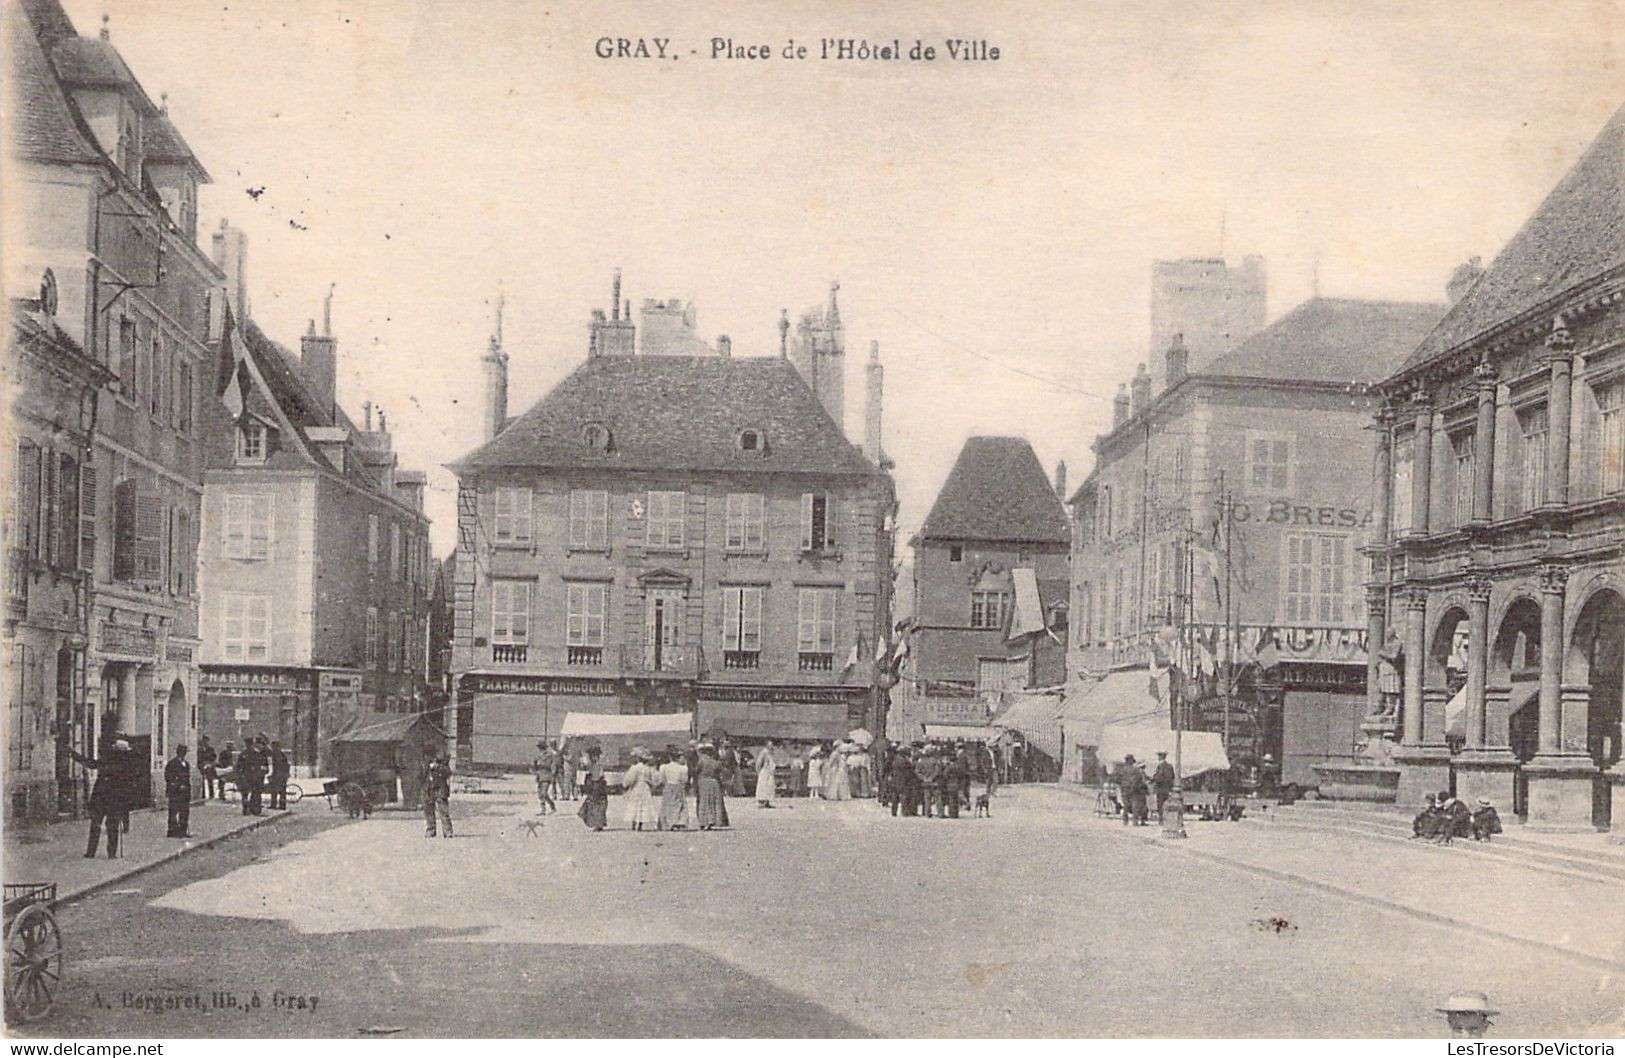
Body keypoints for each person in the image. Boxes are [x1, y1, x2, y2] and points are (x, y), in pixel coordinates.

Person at [64, 736, 139, 858]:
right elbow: (129, 784)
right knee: (112, 826)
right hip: (114, 800)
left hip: (101, 797)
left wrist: (74, 755)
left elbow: (91, 764)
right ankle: (111, 853)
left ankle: (91, 852)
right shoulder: (126, 765)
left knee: (96, 824)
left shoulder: (108, 761)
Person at [622, 748, 659, 831]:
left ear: (638, 758)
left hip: (637, 787)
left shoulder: (635, 768)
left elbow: (630, 779)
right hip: (645, 788)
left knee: (635, 804)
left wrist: (626, 785)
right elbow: (653, 779)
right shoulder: (648, 768)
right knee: (644, 805)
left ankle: (634, 823)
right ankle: (640, 823)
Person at [577, 746, 609, 831]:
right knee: (596, 805)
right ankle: (598, 824)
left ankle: (598, 824)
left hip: (597, 785)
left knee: (597, 805)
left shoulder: (595, 764)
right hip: (597, 785)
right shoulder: (593, 764)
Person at [165, 743, 193, 838]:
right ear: (178, 752)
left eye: (185, 752)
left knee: (184, 811)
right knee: (173, 811)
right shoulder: (172, 763)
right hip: (175, 792)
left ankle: (182, 831)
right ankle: (172, 831)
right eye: (182, 752)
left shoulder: (186, 764)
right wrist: (178, 786)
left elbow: (187, 778)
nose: (184, 754)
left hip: (185, 792)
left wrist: (188, 789)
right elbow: (168, 777)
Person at [695, 743, 725, 830]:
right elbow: (720, 771)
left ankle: (703, 821)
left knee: (704, 801)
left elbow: (697, 770)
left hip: (703, 781)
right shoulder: (716, 762)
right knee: (712, 801)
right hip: (713, 781)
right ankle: (711, 820)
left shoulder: (701, 761)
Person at [658, 749, 690, 830]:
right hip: (678, 786)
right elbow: (685, 780)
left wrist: (665, 784)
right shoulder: (682, 768)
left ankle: (669, 823)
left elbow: (662, 779)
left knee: (668, 804)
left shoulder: (664, 767)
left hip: (669, 786)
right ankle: (679, 822)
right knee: (679, 804)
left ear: (670, 757)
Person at [423, 755, 453, 838]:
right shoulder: (425, 761)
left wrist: (438, 767)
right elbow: (421, 774)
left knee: (443, 810)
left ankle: (447, 831)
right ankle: (431, 830)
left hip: (440, 787)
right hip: (429, 787)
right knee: (428, 809)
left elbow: (448, 772)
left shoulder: (443, 762)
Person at [236, 736, 267, 816]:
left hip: (249, 776)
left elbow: (239, 767)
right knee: (252, 793)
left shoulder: (244, 754)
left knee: (248, 794)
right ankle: (252, 809)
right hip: (252, 776)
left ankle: (249, 809)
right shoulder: (254, 754)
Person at [1117, 754, 1149, 826]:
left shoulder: (1121, 770)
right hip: (1133, 790)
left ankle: (1125, 821)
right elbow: (1139, 779)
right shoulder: (1136, 770)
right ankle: (1135, 822)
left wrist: (1122, 786)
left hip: (1124, 790)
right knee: (1135, 806)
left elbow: (1117, 779)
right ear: (1131, 761)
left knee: (1125, 805)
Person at [530, 740, 558, 814]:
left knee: (544, 793)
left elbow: (553, 764)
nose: (539, 748)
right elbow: (534, 764)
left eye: (540, 747)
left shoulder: (550, 755)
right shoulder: (538, 755)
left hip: (547, 775)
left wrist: (553, 774)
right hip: (540, 775)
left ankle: (550, 807)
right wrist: (535, 771)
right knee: (540, 794)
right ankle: (544, 809)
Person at [915, 745, 942, 818]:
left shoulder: (921, 761)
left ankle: (927, 813)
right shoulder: (935, 760)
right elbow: (937, 771)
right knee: (937, 798)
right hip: (934, 782)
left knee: (927, 799)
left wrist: (923, 778)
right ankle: (940, 813)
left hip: (925, 782)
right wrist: (932, 777)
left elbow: (917, 772)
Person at [1151, 751, 1176, 822]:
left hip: (1160, 788)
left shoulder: (1160, 766)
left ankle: (1161, 819)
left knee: (1160, 805)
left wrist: (1154, 778)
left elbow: (1159, 778)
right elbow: (1172, 777)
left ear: (1160, 757)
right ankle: (1167, 819)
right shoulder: (1170, 766)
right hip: (1167, 789)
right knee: (1167, 805)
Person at [942, 746, 966, 819]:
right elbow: (962, 776)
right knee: (956, 800)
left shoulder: (948, 768)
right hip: (957, 785)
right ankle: (956, 813)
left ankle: (951, 813)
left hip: (950, 785)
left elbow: (945, 775)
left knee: (951, 800)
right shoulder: (959, 767)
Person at [267, 739, 291, 810]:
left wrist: (273, 775)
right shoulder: (280, 754)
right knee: (282, 791)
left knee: (275, 790)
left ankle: (274, 805)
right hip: (282, 775)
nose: (272, 748)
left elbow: (278, 766)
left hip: (279, 775)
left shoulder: (277, 754)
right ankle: (282, 805)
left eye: (273, 747)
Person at [755, 741, 778, 808]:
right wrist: (758, 771)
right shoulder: (763, 753)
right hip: (765, 771)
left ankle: (767, 801)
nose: (772, 746)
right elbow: (759, 763)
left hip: (770, 772)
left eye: (772, 744)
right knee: (763, 787)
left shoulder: (771, 753)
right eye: (770, 745)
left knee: (770, 787)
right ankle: (762, 802)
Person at [197, 735, 219, 801]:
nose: (206, 742)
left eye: (207, 741)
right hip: (202, 765)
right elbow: (199, 758)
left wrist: (209, 762)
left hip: (209, 765)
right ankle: (203, 794)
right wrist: (202, 764)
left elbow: (214, 757)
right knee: (202, 780)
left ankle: (211, 794)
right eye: (204, 741)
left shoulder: (211, 749)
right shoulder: (199, 750)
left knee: (210, 779)